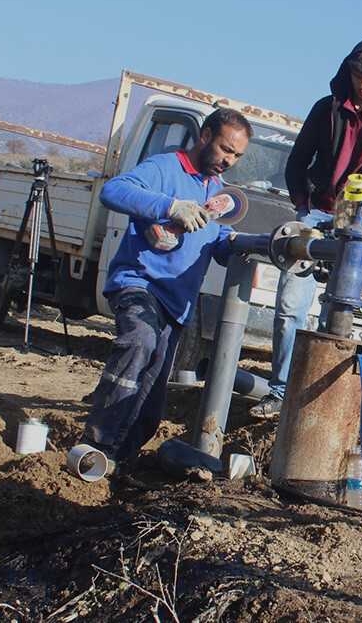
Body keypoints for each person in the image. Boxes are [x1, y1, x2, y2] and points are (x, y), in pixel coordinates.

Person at [250, 34, 362, 418]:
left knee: (338, 312)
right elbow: (297, 162)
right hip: (314, 217)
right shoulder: (325, 109)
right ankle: (279, 392)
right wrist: (301, 204)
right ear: (348, 72)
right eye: (359, 76)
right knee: (290, 306)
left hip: (359, 226)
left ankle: (315, 404)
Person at [80, 107, 251, 467]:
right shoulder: (164, 168)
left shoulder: (217, 192)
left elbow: (217, 245)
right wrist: (171, 206)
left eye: (237, 155)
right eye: (224, 149)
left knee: (150, 403)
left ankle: (119, 464)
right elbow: (114, 190)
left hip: (178, 306)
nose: (229, 160)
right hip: (140, 284)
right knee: (139, 341)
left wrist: (240, 245)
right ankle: (94, 445)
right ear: (205, 136)